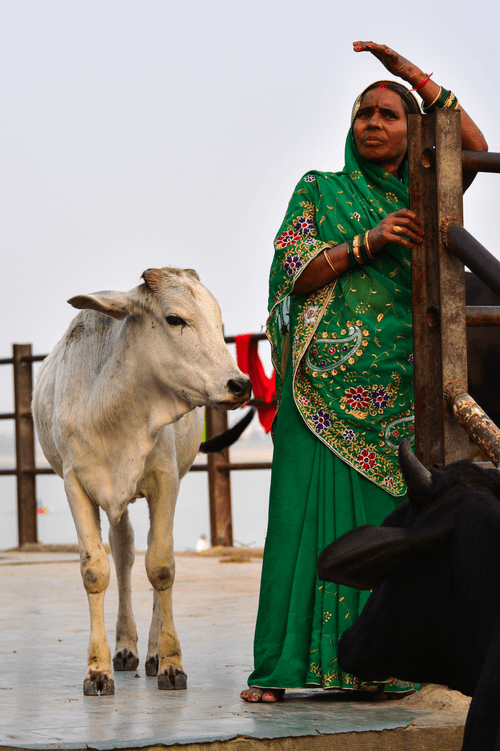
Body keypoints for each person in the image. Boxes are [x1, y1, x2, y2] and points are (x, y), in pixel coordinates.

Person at [241, 41, 488, 703]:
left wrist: (412, 76)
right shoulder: (320, 190)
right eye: (362, 114)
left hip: (396, 400)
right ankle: (279, 670)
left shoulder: (426, 191)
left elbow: (470, 140)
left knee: (388, 529)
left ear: (412, 132)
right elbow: (294, 270)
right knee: (297, 530)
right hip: (315, 393)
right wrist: (368, 241)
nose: (372, 123)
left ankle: (383, 663)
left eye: (389, 114)